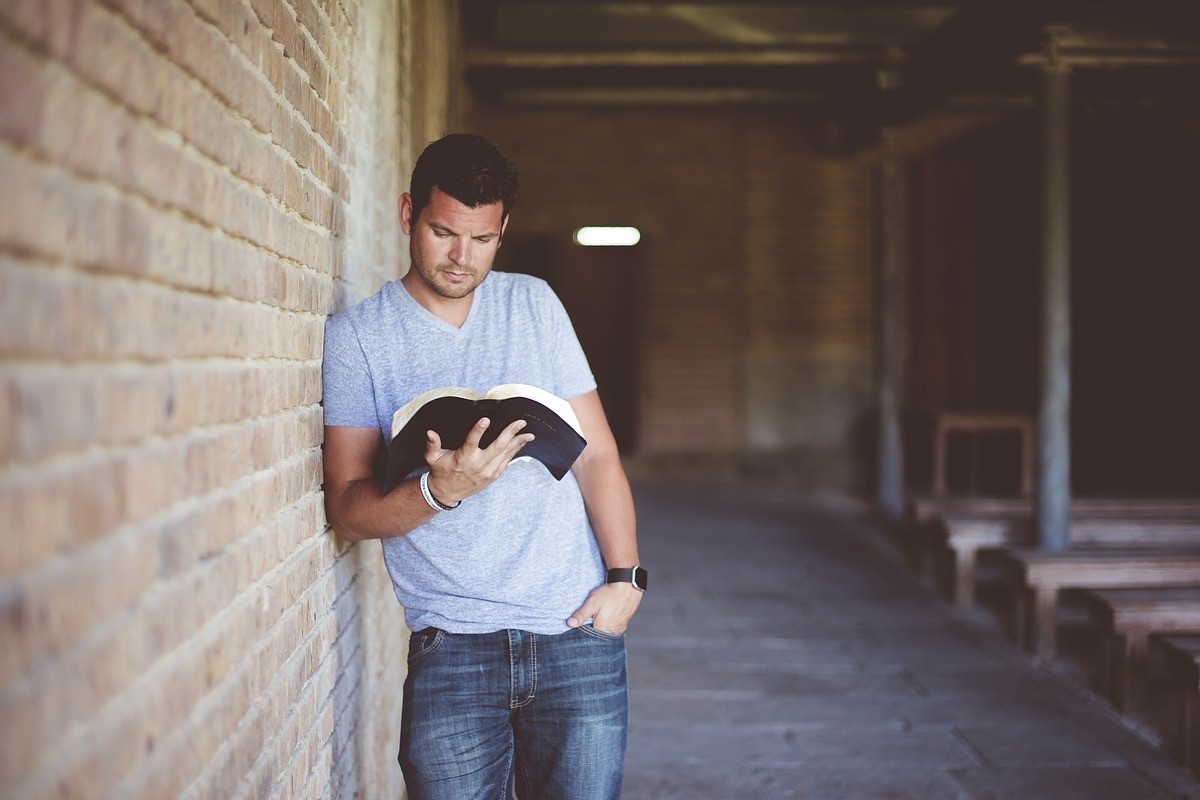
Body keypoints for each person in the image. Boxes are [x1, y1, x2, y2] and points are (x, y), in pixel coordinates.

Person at [321, 133, 645, 800]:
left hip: (575, 632)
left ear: (503, 230)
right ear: (409, 213)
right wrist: (439, 494)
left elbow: (599, 455)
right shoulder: (360, 339)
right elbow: (348, 510)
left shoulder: (535, 305)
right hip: (453, 650)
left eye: (482, 239)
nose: (461, 257)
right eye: (443, 232)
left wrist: (626, 579)